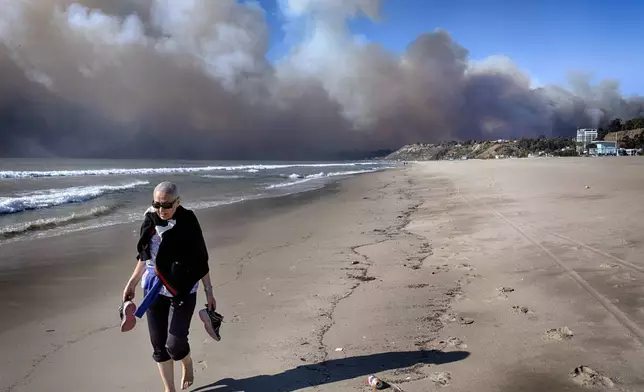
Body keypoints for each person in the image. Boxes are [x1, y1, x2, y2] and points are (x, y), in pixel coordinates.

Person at [122, 181, 217, 392]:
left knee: (174, 345)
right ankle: (169, 390)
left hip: (183, 289)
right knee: (159, 346)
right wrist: (132, 282)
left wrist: (209, 291)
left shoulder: (188, 221)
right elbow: (144, 257)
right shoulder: (150, 220)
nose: (161, 210)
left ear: (177, 202)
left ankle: (187, 361)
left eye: (166, 205)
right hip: (154, 289)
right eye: (156, 204)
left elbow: (201, 259)